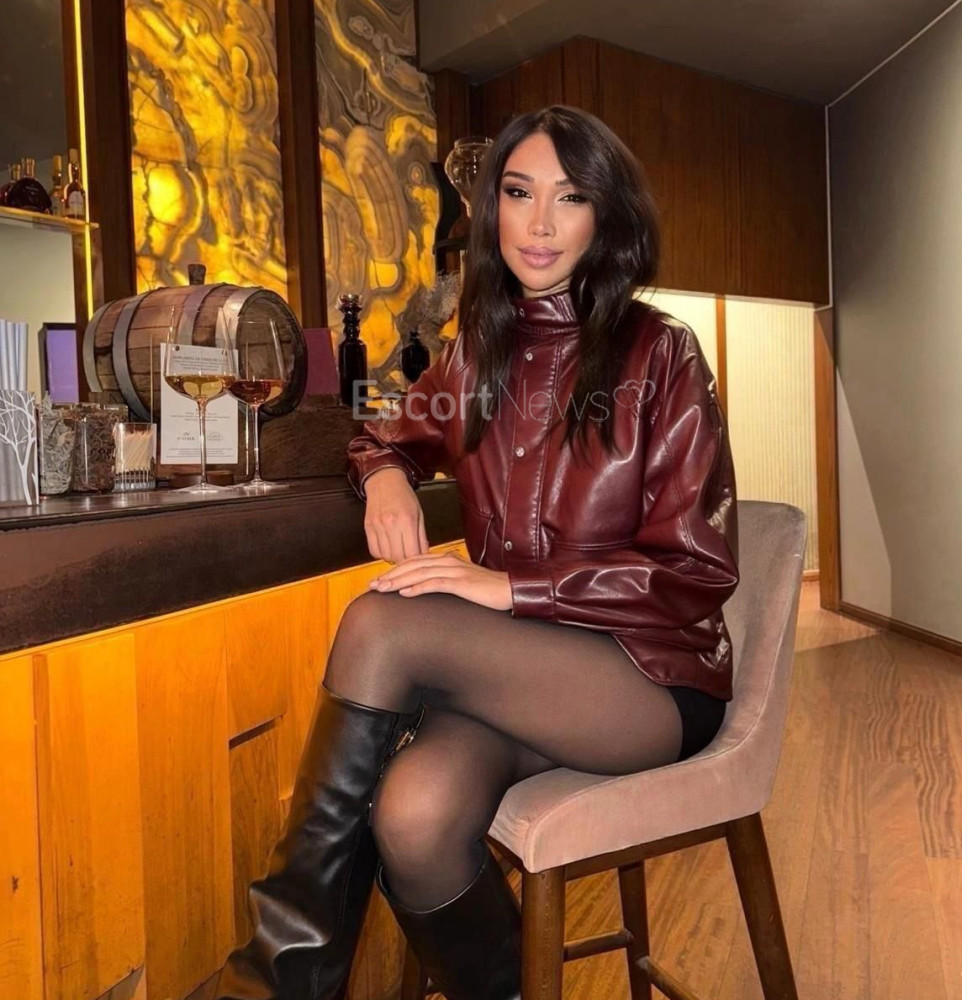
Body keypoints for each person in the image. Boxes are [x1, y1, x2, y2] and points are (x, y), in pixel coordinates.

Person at [214, 105, 740, 1000]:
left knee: (386, 622)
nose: (539, 224)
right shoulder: (475, 357)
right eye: (519, 193)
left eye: (569, 198)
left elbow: (696, 571)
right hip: (519, 674)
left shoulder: (662, 353)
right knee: (413, 815)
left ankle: (274, 983)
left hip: (648, 675)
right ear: (492, 209)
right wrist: (385, 475)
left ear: (605, 215)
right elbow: (380, 433)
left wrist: (512, 588)